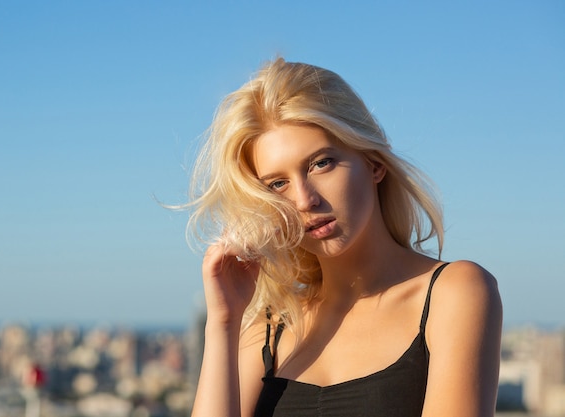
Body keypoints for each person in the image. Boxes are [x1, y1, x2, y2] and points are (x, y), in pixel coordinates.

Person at [185, 57, 502, 417]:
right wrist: (225, 321)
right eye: (277, 184)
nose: (305, 200)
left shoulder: (455, 293)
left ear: (374, 161)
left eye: (321, 163)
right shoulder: (269, 327)